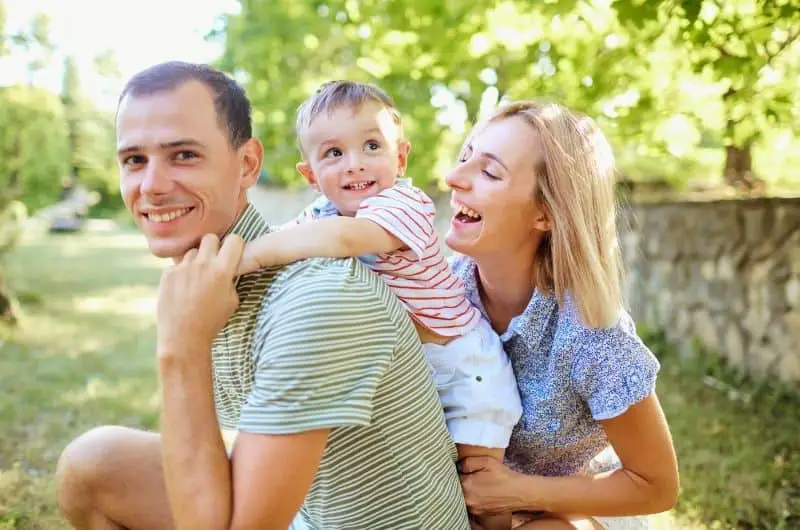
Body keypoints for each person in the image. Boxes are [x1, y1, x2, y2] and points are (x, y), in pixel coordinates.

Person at [54, 61, 470, 530]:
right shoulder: (217, 284)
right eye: (134, 160)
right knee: (92, 465)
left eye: (184, 155)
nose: (152, 185)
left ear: (248, 163)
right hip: (310, 515)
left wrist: (180, 349)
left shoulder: (320, 299)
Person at [237, 80, 522, 528]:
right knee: (434, 482)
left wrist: (248, 256)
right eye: (333, 154)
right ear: (310, 175)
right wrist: (237, 249)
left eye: (372, 145)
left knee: (482, 492)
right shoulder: (320, 216)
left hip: (466, 367)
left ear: (401, 157)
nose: (355, 165)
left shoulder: (404, 203)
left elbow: (346, 239)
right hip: (412, 373)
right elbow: (283, 238)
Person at [444, 101, 680, 529]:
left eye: (489, 172)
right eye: (465, 158)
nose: (454, 178)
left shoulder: (594, 335)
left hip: (577, 511)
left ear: (546, 213)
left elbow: (657, 486)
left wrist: (515, 490)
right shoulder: (437, 291)